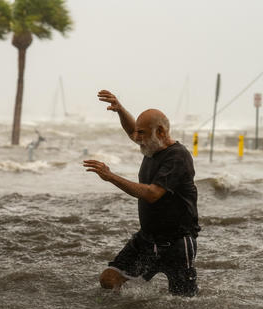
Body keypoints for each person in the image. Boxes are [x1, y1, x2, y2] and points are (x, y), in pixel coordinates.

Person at [83, 90, 200, 296]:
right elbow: (132, 130)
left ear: (161, 132)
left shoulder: (177, 157)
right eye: (137, 133)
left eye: (142, 133)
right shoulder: (151, 146)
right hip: (147, 239)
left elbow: (152, 193)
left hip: (177, 243)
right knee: (109, 279)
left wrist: (111, 176)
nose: (136, 138)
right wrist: (120, 110)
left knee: (183, 303)